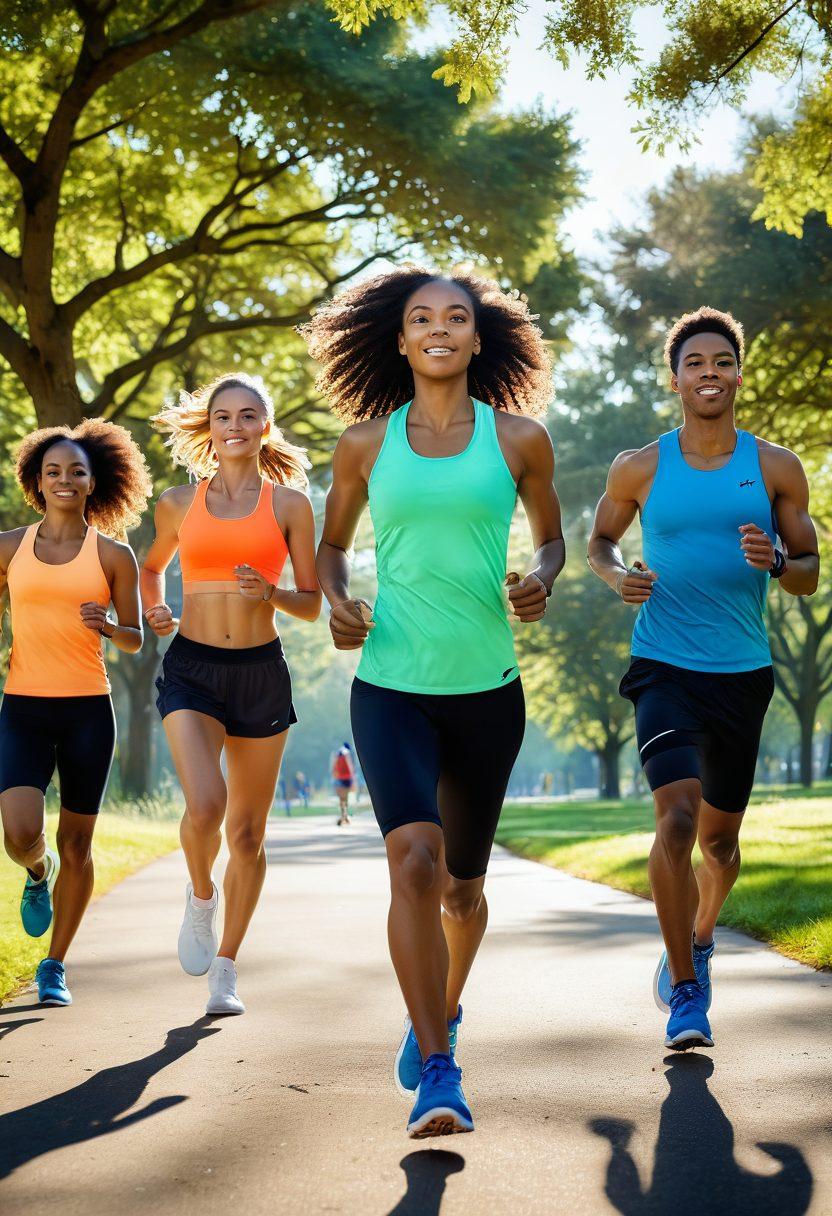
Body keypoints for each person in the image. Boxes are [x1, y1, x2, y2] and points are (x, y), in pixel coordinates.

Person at [303, 266, 565, 1137]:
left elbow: (554, 537)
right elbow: (331, 548)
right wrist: (338, 603)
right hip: (391, 685)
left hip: (488, 690)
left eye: (458, 317)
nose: (441, 328)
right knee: (414, 861)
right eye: (424, 318)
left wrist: (542, 580)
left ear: (478, 339)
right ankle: (440, 1072)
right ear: (403, 339)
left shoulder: (521, 439)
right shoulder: (365, 445)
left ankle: (443, 1011)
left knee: (461, 891)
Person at [587, 306, 819, 1051]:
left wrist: (778, 562)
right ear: (676, 376)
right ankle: (687, 989)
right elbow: (599, 540)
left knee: (719, 847)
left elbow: (809, 575)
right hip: (662, 664)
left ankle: (703, 933)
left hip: (743, 674)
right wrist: (619, 574)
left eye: (721, 361)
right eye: (696, 363)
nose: (709, 373)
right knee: (677, 822)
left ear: (738, 374)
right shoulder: (641, 466)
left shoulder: (777, 467)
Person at [141, 373, 321, 1016]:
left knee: (246, 835)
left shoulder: (290, 506)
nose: (235, 425)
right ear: (210, 429)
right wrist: (157, 611)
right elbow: (150, 568)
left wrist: (269, 594)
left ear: (265, 427)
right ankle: (199, 897)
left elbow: (310, 602)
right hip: (191, 667)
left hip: (260, 672)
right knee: (206, 806)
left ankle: (226, 967)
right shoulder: (176, 502)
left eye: (248, 415)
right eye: (223, 416)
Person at [0, 420, 150, 1006]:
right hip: (23, 707)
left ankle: (55, 963)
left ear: (95, 483)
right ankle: (37, 876)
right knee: (19, 832)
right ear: (37, 481)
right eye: (53, 471)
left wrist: (110, 626)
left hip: (89, 709)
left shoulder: (114, 555)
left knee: (78, 845)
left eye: (77, 472)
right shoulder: (9, 547)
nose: (65, 479)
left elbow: (136, 639)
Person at [332, 742, 355, 825]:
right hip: (347, 778)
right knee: (346, 798)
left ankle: (343, 815)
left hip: (339, 778)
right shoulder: (347, 752)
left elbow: (334, 766)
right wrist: (353, 778)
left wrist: (334, 775)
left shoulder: (337, 753)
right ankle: (345, 817)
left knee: (341, 798)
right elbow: (349, 765)